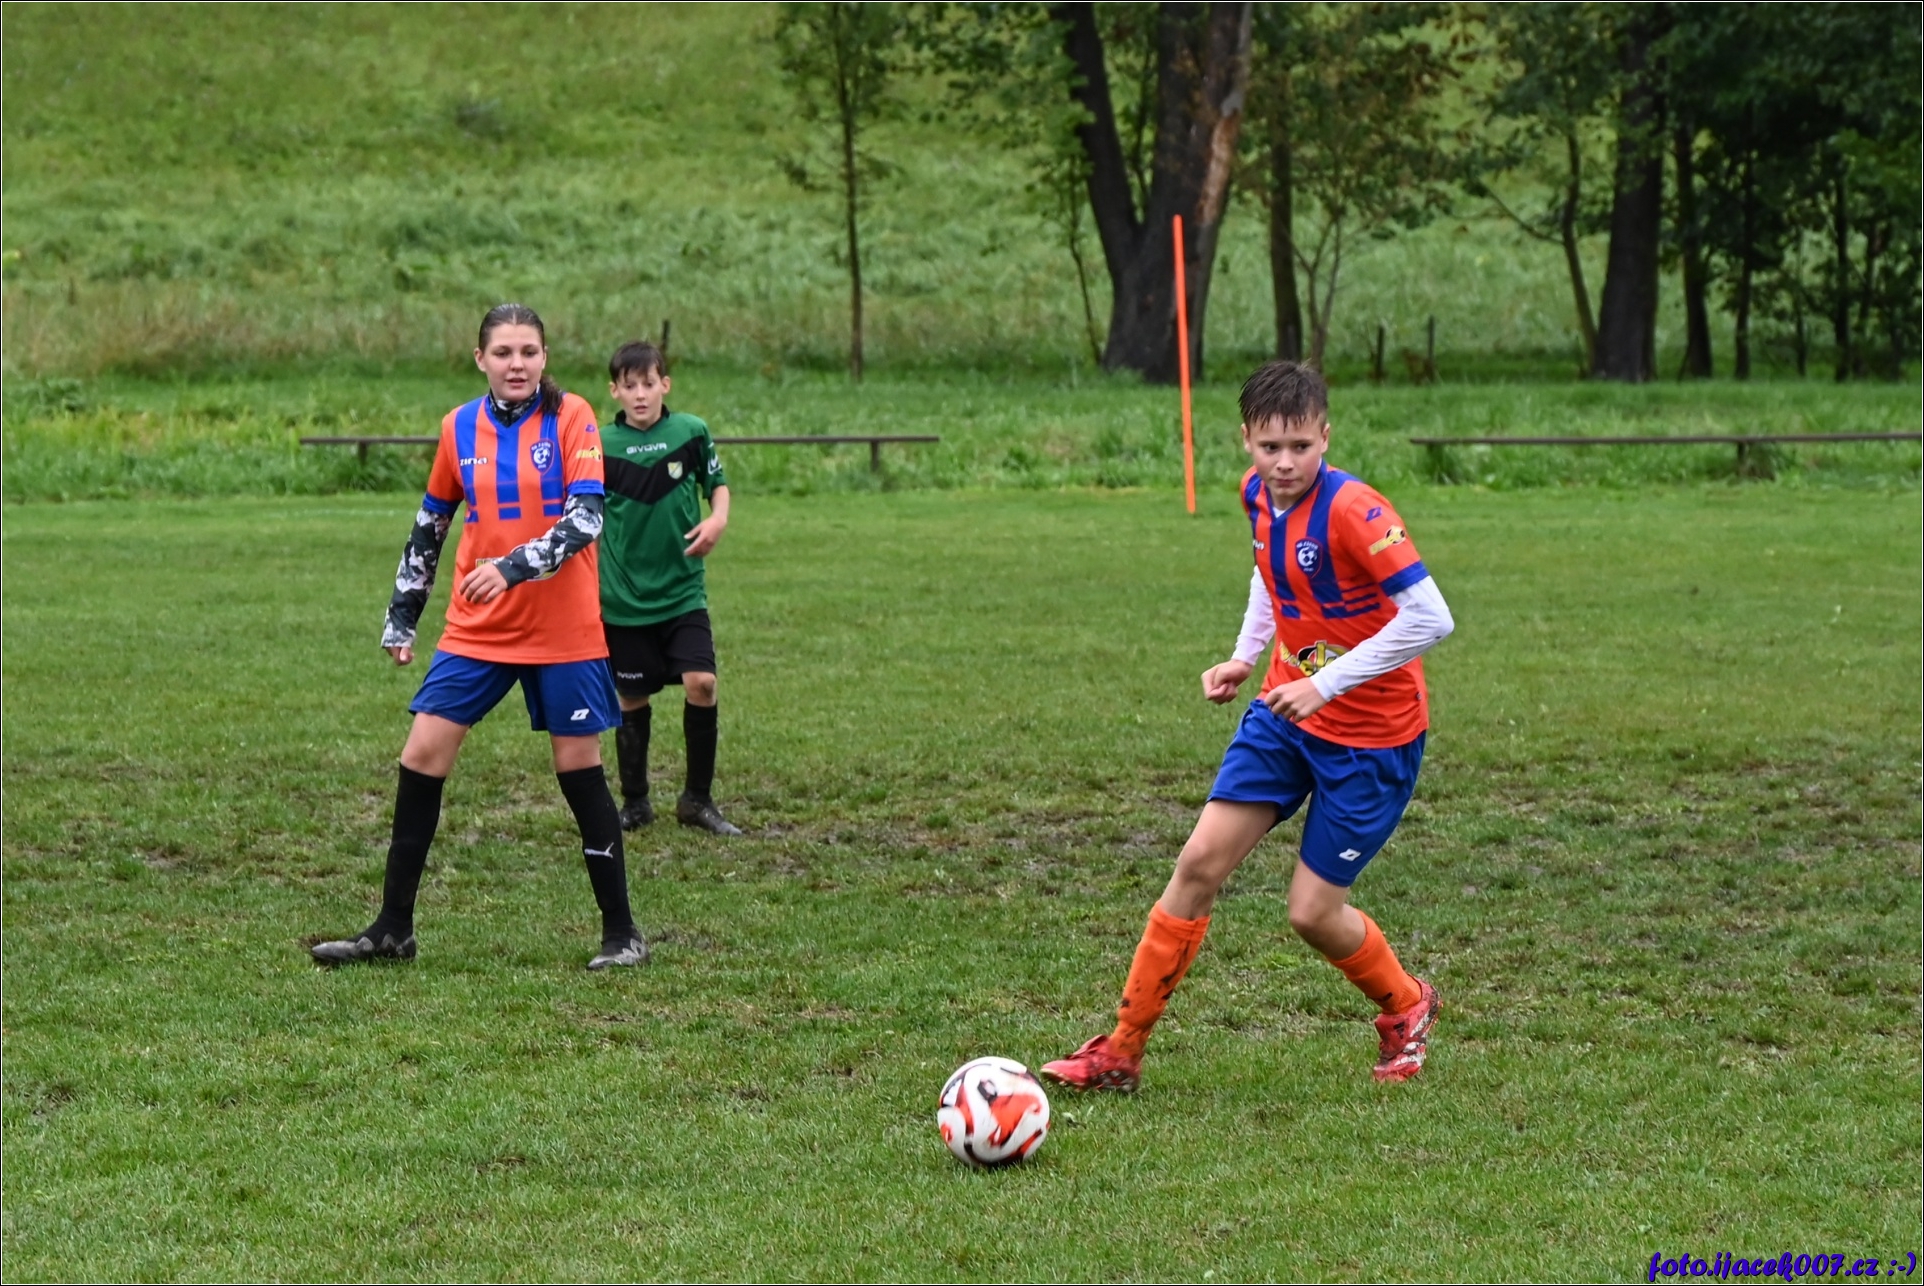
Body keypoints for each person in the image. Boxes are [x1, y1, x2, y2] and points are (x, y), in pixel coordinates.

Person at [1041, 360, 1454, 1089]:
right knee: (1198, 862)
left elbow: (1432, 617)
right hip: (1285, 715)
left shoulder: (1357, 511)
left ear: (1326, 437)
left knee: (1312, 913)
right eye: (1270, 447)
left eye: (1300, 446)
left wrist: (1325, 684)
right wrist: (1245, 654)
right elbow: (1271, 570)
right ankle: (1120, 1051)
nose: (1284, 462)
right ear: (1246, 442)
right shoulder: (1257, 494)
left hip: (1371, 737)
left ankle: (1407, 1004)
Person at [311, 303, 648, 971]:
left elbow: (586, 518)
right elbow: (431, 523)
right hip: (478, 629)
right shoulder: (458, 427)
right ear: (480, 359)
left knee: (578, 770)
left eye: (528, 351)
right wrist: (403, 614)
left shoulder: (573, 416)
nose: (516, 364)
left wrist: (513, 567)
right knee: (422, 754)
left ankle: (622, 933)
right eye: (503, 353)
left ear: (544, 358)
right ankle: (392, 929)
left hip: (563, 629)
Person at [597, 340, 741, 836]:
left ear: (665, 384)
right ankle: (636, 802)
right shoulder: (599, 446)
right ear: (615, 391)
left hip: (683, 592)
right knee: (632, 697)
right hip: (624, 598)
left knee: (702, 684)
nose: (640, 394)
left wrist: (717, 519)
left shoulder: (691, 432)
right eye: (630, 385)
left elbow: (717, 483)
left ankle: (697, 801)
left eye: (649, 383)